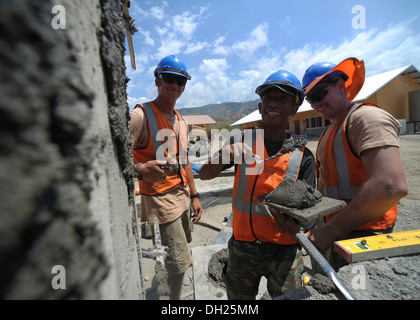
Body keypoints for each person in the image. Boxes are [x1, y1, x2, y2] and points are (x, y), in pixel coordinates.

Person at [199, 70, 316, 299]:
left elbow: (309, 209)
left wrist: (300, 222)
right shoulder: (241, 142)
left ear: (294, 109)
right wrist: (224, 154)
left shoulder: (304, 156)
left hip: (284, 250)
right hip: (243, 247)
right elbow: (204, 174)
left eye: (283, 99)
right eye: (268, 98)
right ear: (261, 107)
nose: (273, 104)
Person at [301, 57, 408, 268]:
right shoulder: (331, 129)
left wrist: (330, 231)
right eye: (310, 99)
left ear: (341, 86)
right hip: (337, 232)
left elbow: (390, 186)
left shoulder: (365, 118)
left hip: (364, 236)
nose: (315, 104)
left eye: (320, 94)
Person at [129, 55, 203, 299]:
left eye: (181, 81)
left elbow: (186, 161)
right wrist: (140, 170)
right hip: (161, 201)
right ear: (157, 81)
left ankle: (170, 290)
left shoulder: (180, 119)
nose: (175, 85)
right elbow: (112, 158)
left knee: (176, 256)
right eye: (169, 78)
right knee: (179, 263)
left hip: (181, 197)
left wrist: (194, 195)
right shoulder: (141, 116)